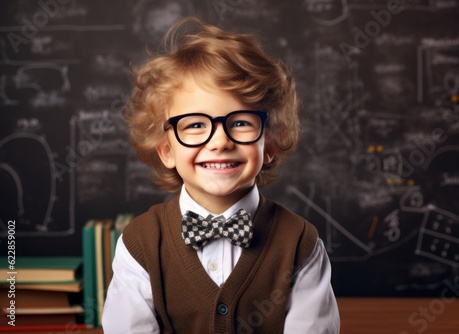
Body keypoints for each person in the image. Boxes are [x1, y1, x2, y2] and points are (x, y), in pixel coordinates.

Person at [102, 16, 340, 333]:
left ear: (269, 143)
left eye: (241, 122)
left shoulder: (300, 243)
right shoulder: (140, 244)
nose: (220, 141)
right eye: (196, 125)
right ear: (167, 150)